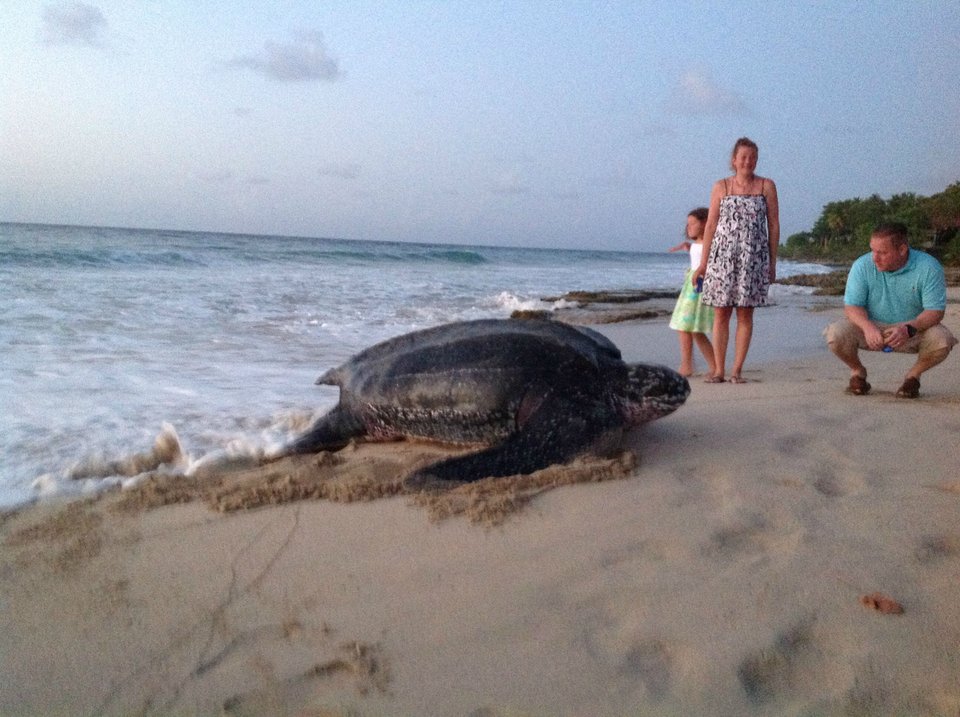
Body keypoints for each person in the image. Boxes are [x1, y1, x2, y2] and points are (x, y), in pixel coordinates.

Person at [824, 222, 957, 398]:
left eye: (882, 253)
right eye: (873, 250)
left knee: (942, 340)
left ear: (902, 250)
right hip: (872, 327)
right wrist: (867, 327)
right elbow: (852, 306)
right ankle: (857, 371)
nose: (875, 258)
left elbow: (935, 312)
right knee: (835, 334)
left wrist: (908, 328)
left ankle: (913, 376)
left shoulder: (929, 267)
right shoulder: (862, 266)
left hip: (912, 329)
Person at [693, 137, 779, 383]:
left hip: (753, 258)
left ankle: (737, 370)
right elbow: (710, 226)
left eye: (752, 157)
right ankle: (719, 370)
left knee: (745, 315)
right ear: (734, 160)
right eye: (743, 157)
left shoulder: (766, 186)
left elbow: (773, 225)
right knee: (721, 314)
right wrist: (704, 263)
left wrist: (772, 262)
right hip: (722, 258)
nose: (748, 161)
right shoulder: (721, 186)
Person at [668, 207, 716, 377]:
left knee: (684, 325)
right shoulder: (699, 243)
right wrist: (689, 247)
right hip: (691, 286)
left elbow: (710, 262)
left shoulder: (712, 242)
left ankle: (687, 366)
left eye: (692, 223)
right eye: (688, 224)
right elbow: (698, 254)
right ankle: (714, 366)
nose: (689, 227)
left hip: (699, 287)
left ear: (705, 223)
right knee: (693, 329)